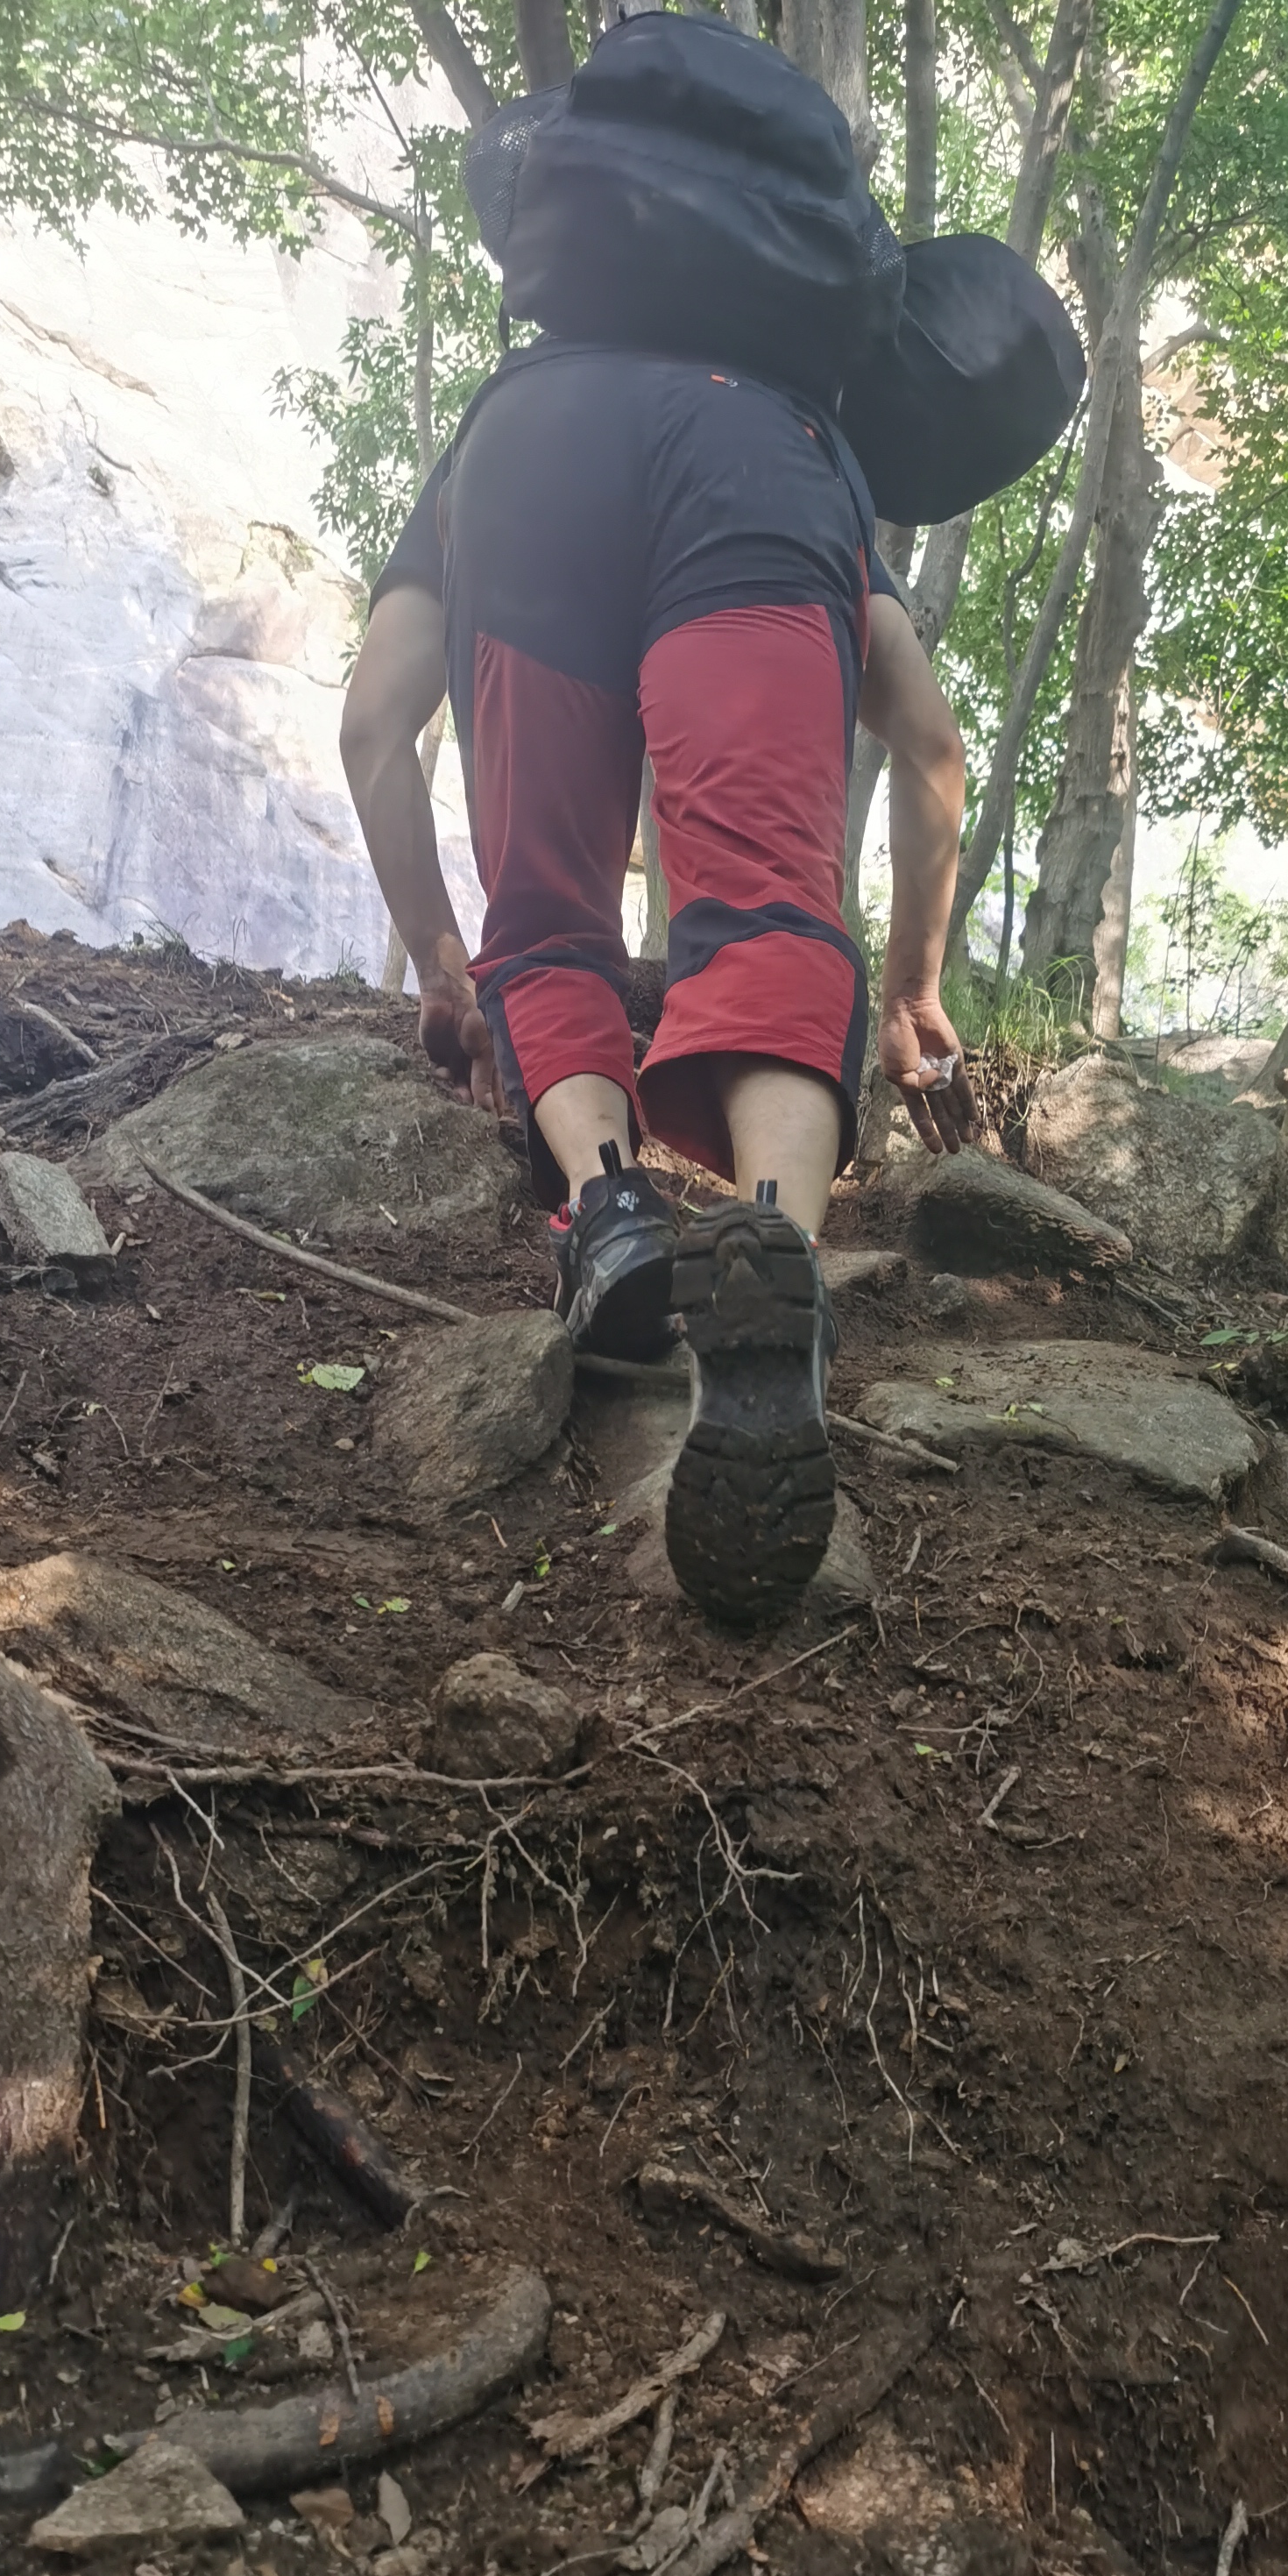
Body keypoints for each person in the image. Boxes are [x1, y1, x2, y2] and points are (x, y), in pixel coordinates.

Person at [340, 336, 977, 1626]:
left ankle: (612, 1208)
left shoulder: (493, 427)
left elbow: (370, 732)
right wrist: (912, 984)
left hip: (535, 466)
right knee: (766, 908)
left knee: (549, 921)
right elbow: (931, 743)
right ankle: (777, 1257)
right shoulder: (798, 428)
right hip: (762, 478)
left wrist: (446, 966)